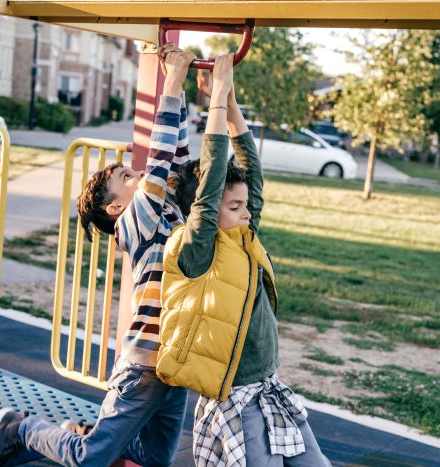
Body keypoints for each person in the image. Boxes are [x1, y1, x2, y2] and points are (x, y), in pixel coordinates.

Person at [0, 44, 195, 467]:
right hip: (144, 365)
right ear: (116, 208)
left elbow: (180, 162)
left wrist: (187, 91)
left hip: (175, 363)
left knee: (152, 462)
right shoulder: (139, 222)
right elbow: (163, 153)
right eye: (128, 176)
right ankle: (21, 428)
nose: (141, 173)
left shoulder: (167, 209)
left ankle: (87, 432)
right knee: (89, 461)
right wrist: (173, 80)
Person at [156, 54, 331, 467]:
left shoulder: (244, 236)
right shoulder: (197, 248)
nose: (247, 210)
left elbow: (249, 170)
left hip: (270, 386)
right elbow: (214, 175)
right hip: (237, 396)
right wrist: (215, 96)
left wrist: (230, 101)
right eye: (234, 207)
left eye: (244, 205)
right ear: (210, 210)